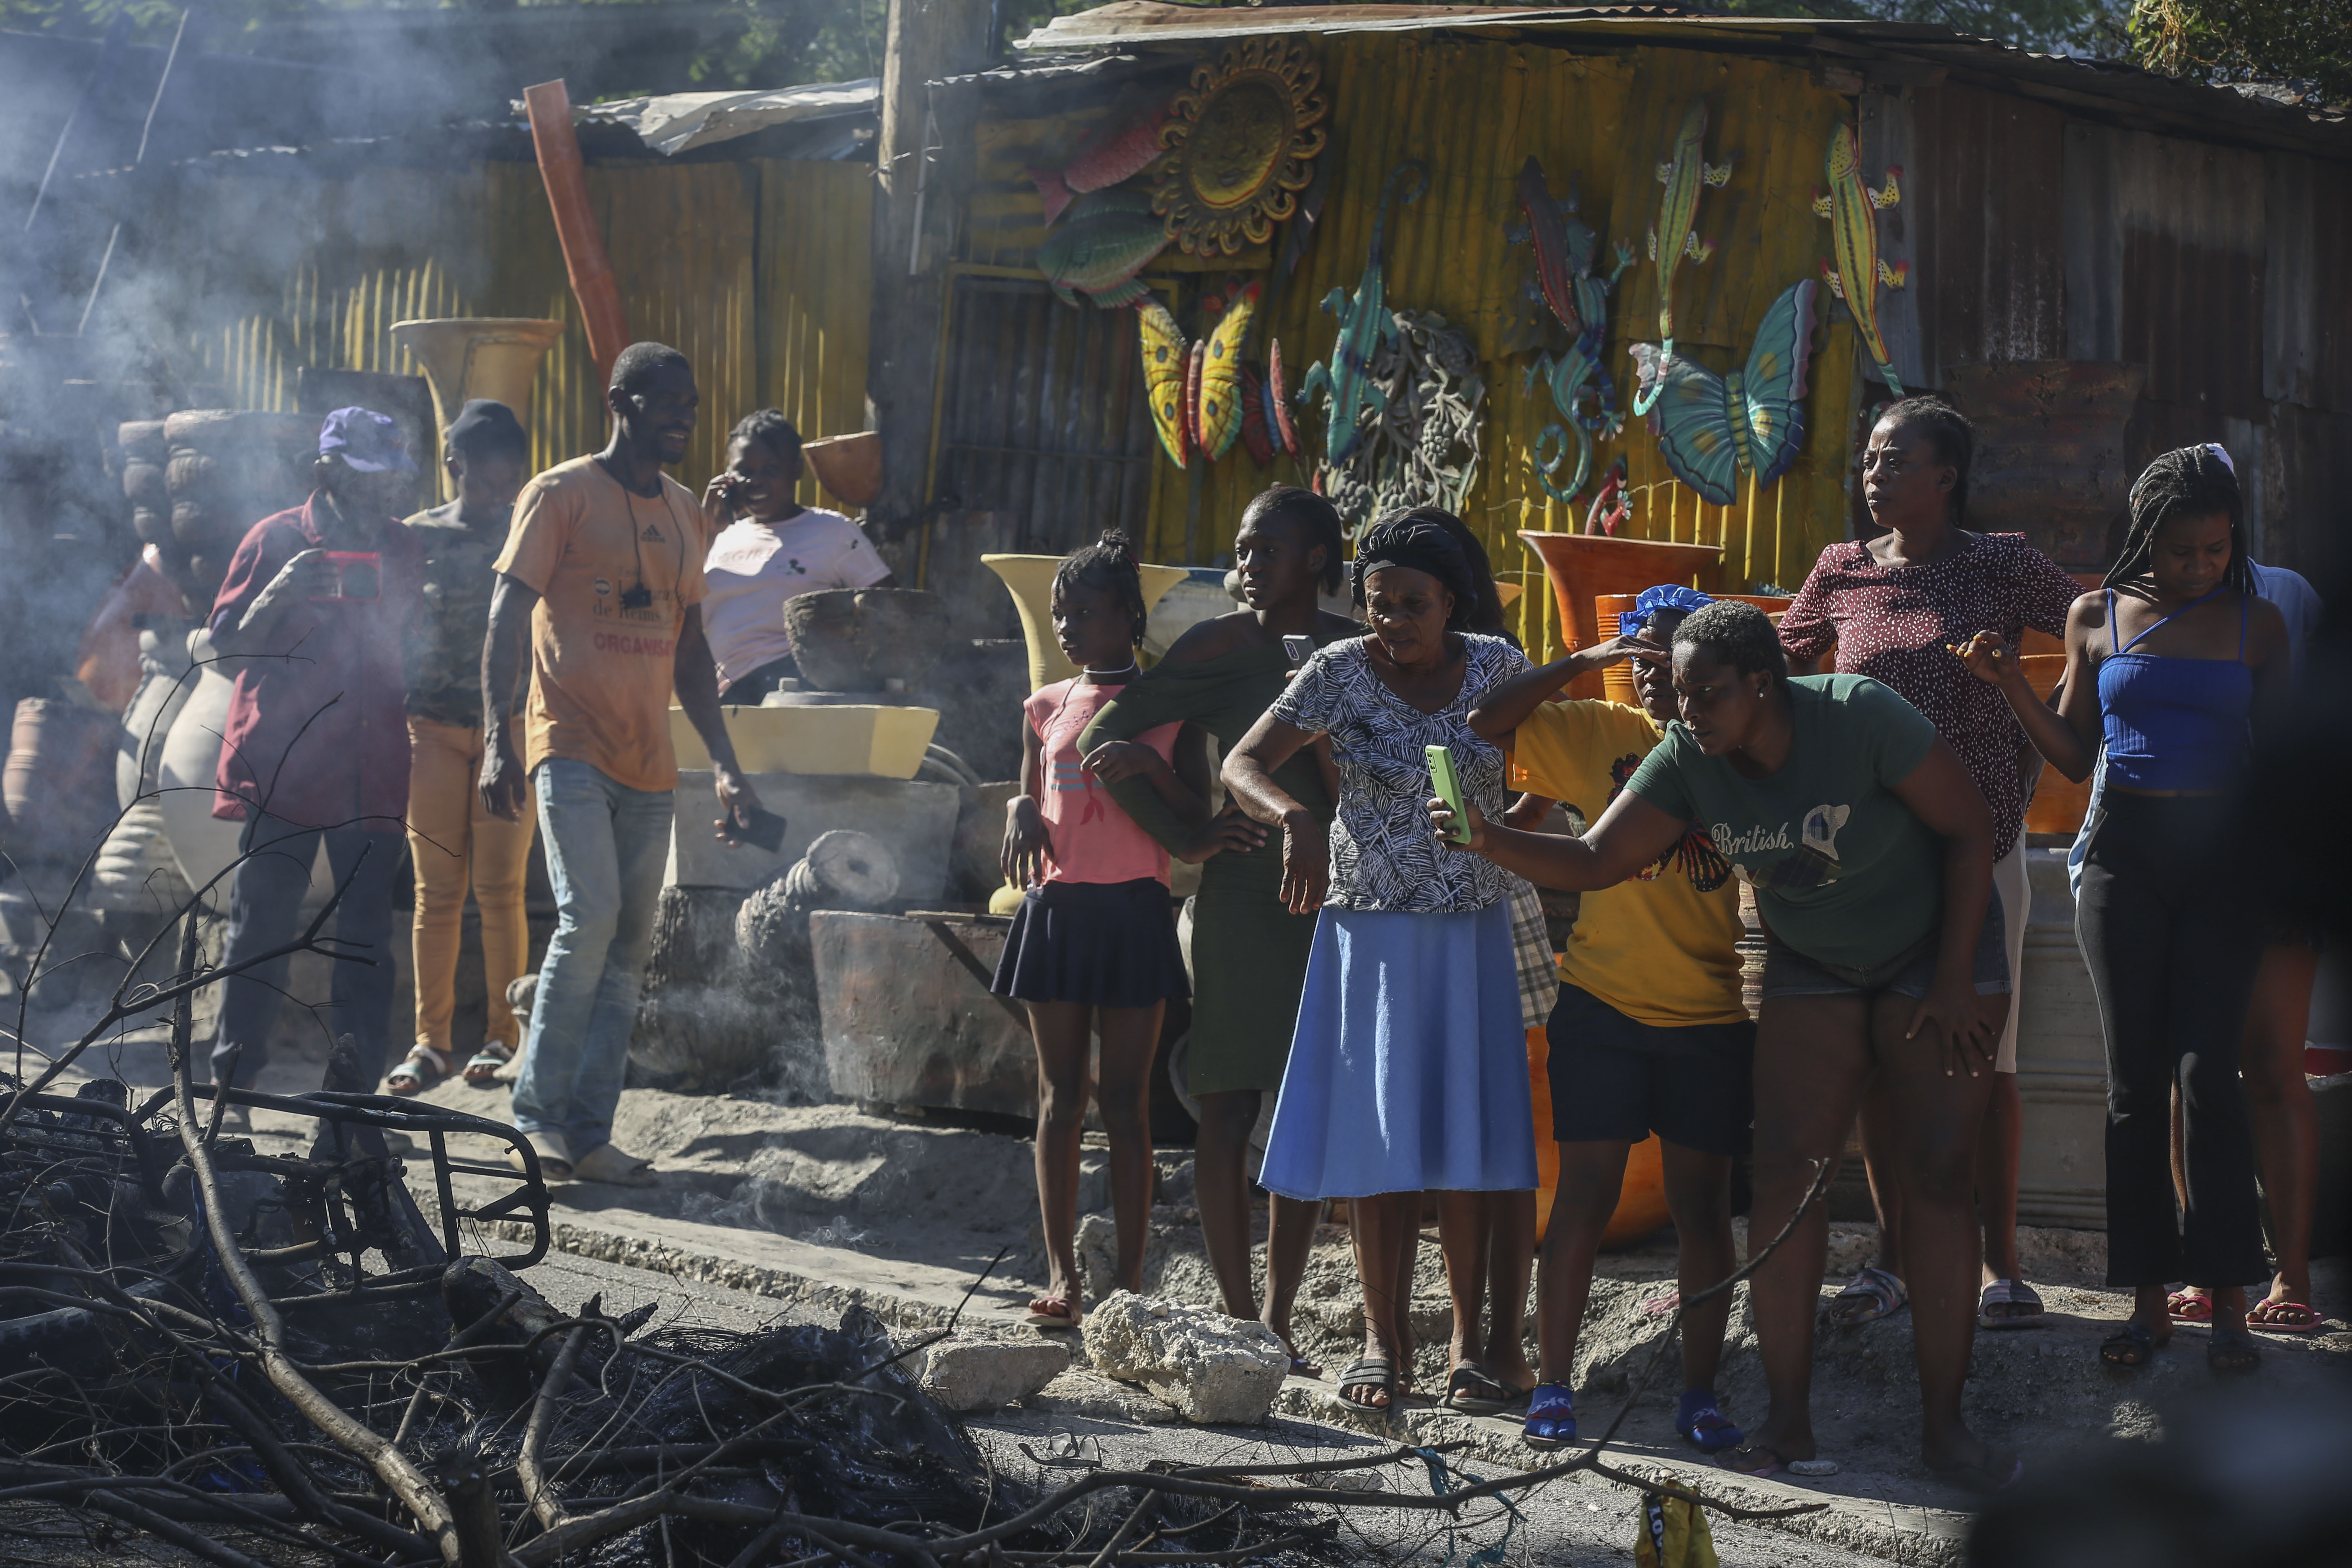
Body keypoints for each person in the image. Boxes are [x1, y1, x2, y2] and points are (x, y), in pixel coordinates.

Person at [1430, 600, 2015, 1488]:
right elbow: (1595, 860)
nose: (1685, 710)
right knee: (1783, 1172)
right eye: (1678, 693)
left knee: (1936, 1171)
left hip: (1938, 949)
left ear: (1763, 686)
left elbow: (1971, 829)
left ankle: (1946, 1428)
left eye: (1706, 694)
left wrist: (1952, 979)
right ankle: (1788, 1422)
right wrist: (1489, 839)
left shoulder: (1857, 713)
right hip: (1813, 957)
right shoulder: (1686, 758)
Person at [1959, 444, 2287, 1376]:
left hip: (2220, 868)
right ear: (2146, 539)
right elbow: (2069, 753)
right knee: (2131, 1084)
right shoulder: (2093, 616)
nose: (2197, 567)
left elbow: (2286, 770)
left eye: (2214, 551)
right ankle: (2145, 1303)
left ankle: (2227, 1301)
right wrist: (2012, 686)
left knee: (2205, 1077)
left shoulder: (2256, 626)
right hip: (2119, 861)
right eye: (2181, 550)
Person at [1777, 395, 2082, 1333]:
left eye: (1891, 459)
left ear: (1942, 476)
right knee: (1883, 1061)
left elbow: (2091, 624)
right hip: (1870, 862)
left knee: (1982, 1058)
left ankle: (1999, 1264)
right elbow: (1774, 673)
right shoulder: (1839, 571)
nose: (1871, 474)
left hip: (1980, 845)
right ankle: (1890, 1259)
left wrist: (2037, 717)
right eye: (1867, 458)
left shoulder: (1997, 562)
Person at [1224, 510, 1539, 1416]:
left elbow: (1560, 755)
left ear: (1451, 603)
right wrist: (1295, 818)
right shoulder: (1336, 673)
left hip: (1473, 927)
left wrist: (1524, 833)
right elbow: (1245, 762)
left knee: (1465, 1139)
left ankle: (1472, 1351)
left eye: (1412, 604)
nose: (1393, 621)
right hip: (1370, 930)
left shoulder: (1496, 667)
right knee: (1383, 1140)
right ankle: (1382, 1341)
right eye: (1377, 605)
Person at [1464, 582, 1752, 1453]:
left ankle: (1700, 1393)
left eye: (1677, 654)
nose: (1660, 671)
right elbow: (1485, 721)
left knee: (1702, 1210)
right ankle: (1553, 1387)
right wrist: (1586, 662)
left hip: (1710, 1014)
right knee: (1582, 1197)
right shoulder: (1601, 733)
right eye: (1645, 654)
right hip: (1603, 1005)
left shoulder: (1746, 750)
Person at [1076, 486, 1357, 1369]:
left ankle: (1280, 1318)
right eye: (1242, 549)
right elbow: (1108, 738)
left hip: (1338, 900)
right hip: (1244, 897)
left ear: (1316, 560)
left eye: (1264, 550)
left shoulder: (1353, 650)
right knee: (1229, 1105)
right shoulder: (1219, 644)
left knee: (1306, 1110)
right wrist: (1188, 833)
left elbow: (1361, 782)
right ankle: (1242, 1319)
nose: (1245, 565)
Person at [479, 342, 768, 1187]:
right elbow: (508, 612)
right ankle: (535, 1121)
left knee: (630, 948)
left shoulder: (685, 511)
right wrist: (498, 734)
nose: (685, 415)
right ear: (621, 403)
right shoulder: (560, 494)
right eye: (667, 402)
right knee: (589, 919)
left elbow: (690, 653)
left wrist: (723, 762)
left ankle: (589, 1130)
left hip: (650, 762)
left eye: (691, 402)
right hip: (567, 745)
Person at [994, 529, 1229, 1331]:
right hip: (1057, 915)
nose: (1067, 628)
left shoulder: (1170, 710)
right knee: (1062, 1099)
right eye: (1062, 615)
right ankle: (1062, 1278)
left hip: (1135, 913)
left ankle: (1127, 1284)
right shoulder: (1047, 706)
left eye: (1085, 613)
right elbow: (1029, 793)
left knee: (1128, 1107)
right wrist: (1020, 803)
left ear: (1128, 617)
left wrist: (1151, 767)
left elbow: (1200, 818)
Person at [205, 408, 426, 1111]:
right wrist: (280, 593)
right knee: (261, 934)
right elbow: (223, 653)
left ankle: (350, 1108)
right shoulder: (274, 540)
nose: (377, 494)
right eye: (363, 478)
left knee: (366, 946)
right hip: (286, 769)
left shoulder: (405, 549)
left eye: (387, 480)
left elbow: (414, 650)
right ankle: (232, 1094)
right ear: (325, 470)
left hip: (372, 767)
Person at [2161, 543, 2325, 1336]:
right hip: (2183, 861)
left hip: (2275, 861)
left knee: (2272, 1066)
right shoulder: (2140, 603)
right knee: (2192, 1072)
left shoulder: (2286, 596)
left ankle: (2290, 1274)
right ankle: (2203, 1267)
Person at [388, 399, 537, 1095]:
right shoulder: (412, 538)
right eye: (484, 480)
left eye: (509, 481)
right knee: (437, 893)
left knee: (502, 892)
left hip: (513, 728)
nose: (497, 495)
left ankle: (503, 1039)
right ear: (452, 466)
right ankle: (430, 1044)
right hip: (429, 732)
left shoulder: (535, 533)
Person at [698, 410, 895, 703]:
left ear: (797, 470)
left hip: (795, 690)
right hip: (722, 699)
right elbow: (673, 611)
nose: (756, 482)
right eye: (744, 472)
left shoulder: (832, 531)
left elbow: (891, 610)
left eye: (771, 470)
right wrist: (707, 530)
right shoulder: (717, 538)